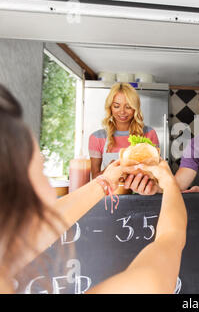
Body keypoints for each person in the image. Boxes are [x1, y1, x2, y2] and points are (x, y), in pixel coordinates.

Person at [0, 85, 186, 294]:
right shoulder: (98, 136)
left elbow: (37, 227)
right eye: (41, 170)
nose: (52, 193)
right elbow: (170, 239)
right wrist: (169, 183)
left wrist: (106, 181)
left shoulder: (12, 241)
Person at [89, 82, 159, 179]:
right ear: (110, 107)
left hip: (142, 193)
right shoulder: (97, 137)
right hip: (112, 193)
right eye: (116, 106)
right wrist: (108, 170)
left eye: (128, 107)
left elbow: (157, 174)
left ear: (135, 109)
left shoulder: (149, 133)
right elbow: (94, 178)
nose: (122, 111)